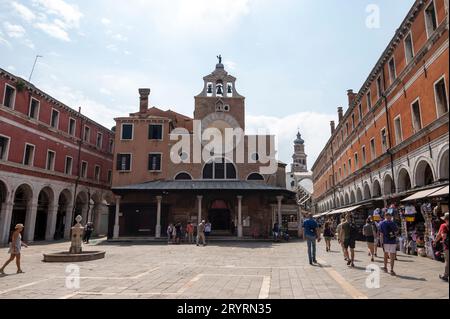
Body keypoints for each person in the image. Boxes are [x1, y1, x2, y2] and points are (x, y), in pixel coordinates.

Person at [379, 211, 399, 276]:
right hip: (393, 241)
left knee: (385, 255)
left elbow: (381, 234)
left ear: (385, 216)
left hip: (385, 241)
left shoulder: (382, 224)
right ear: (390, 217)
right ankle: (392, 270)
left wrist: (381, 242)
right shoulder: (393, 223)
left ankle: (385, 268)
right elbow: (396, 232)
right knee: (392, 256)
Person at [434, 212, 449, 282]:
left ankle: (445, 276)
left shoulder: (443, 225)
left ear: (445, 219)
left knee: (447, 261)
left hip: (447, 246)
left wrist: (435, 241)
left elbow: (441, 235)